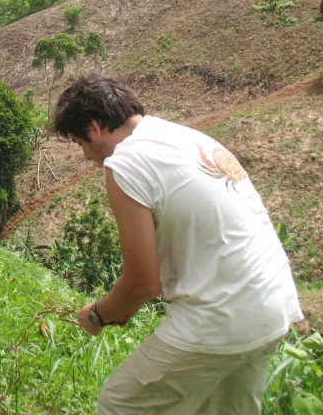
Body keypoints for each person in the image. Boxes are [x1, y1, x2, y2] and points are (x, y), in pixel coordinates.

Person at [51, 75, 303, 415]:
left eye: (79, 143)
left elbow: (143, 282)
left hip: (219, 316)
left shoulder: (125, 162)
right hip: (273, 304)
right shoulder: (187, 137)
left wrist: (98, 314)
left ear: (95, 128)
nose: (85, 156)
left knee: (119, 405)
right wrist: (129, 303)